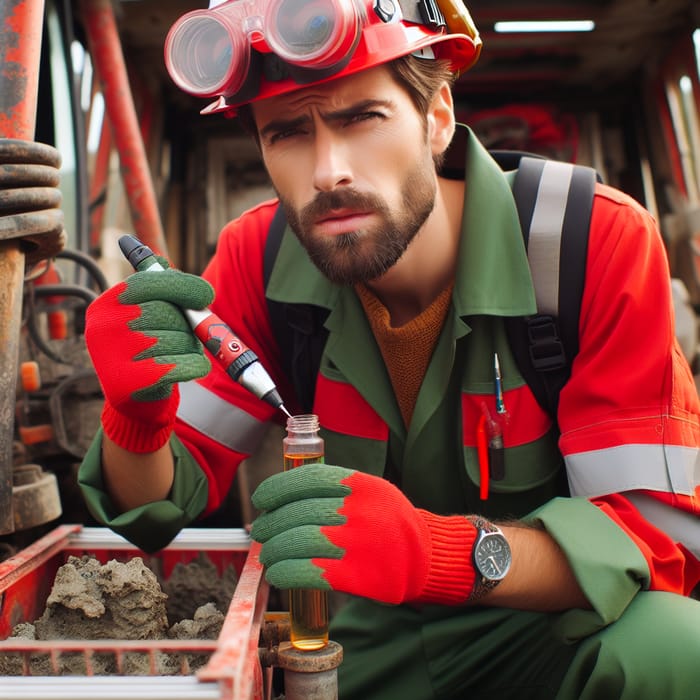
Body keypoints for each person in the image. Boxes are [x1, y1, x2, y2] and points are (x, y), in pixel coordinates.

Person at [78, 1, 700, 697]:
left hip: (548, 632)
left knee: (674, 647)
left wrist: (435, 554)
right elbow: (164, 510)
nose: (327, 172)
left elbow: (654, 539)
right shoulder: (259, 256)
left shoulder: (588, 244)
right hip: (354, 641)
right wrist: (136, 417)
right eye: (287, 133)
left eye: (360, 119)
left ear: (436, 119)